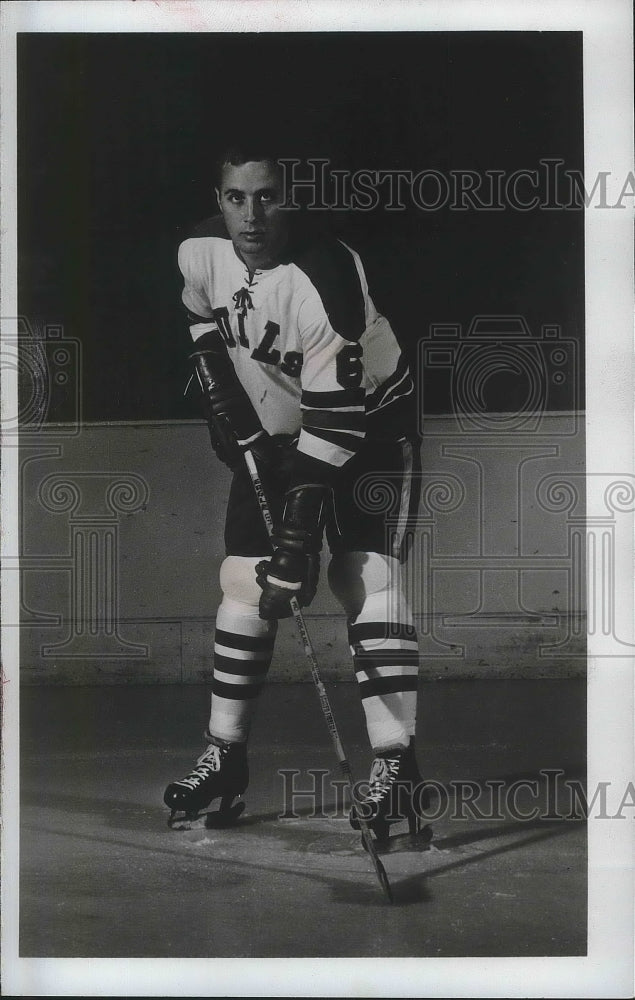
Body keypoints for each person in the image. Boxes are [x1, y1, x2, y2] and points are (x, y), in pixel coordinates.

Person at [163, 146, 424, 842]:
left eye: (268, 196)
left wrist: (297, 541)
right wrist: (230, 412)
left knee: (362, 574)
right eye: (236, 197)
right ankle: (224, 754)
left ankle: (396, 764)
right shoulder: (197, 252)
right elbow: (199, 323)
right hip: (282, 432)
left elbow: (337, 421)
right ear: (218, 199)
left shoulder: (324, 274)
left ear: (291, 198)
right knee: (245, 580)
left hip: (368, 430)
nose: (252, 214)